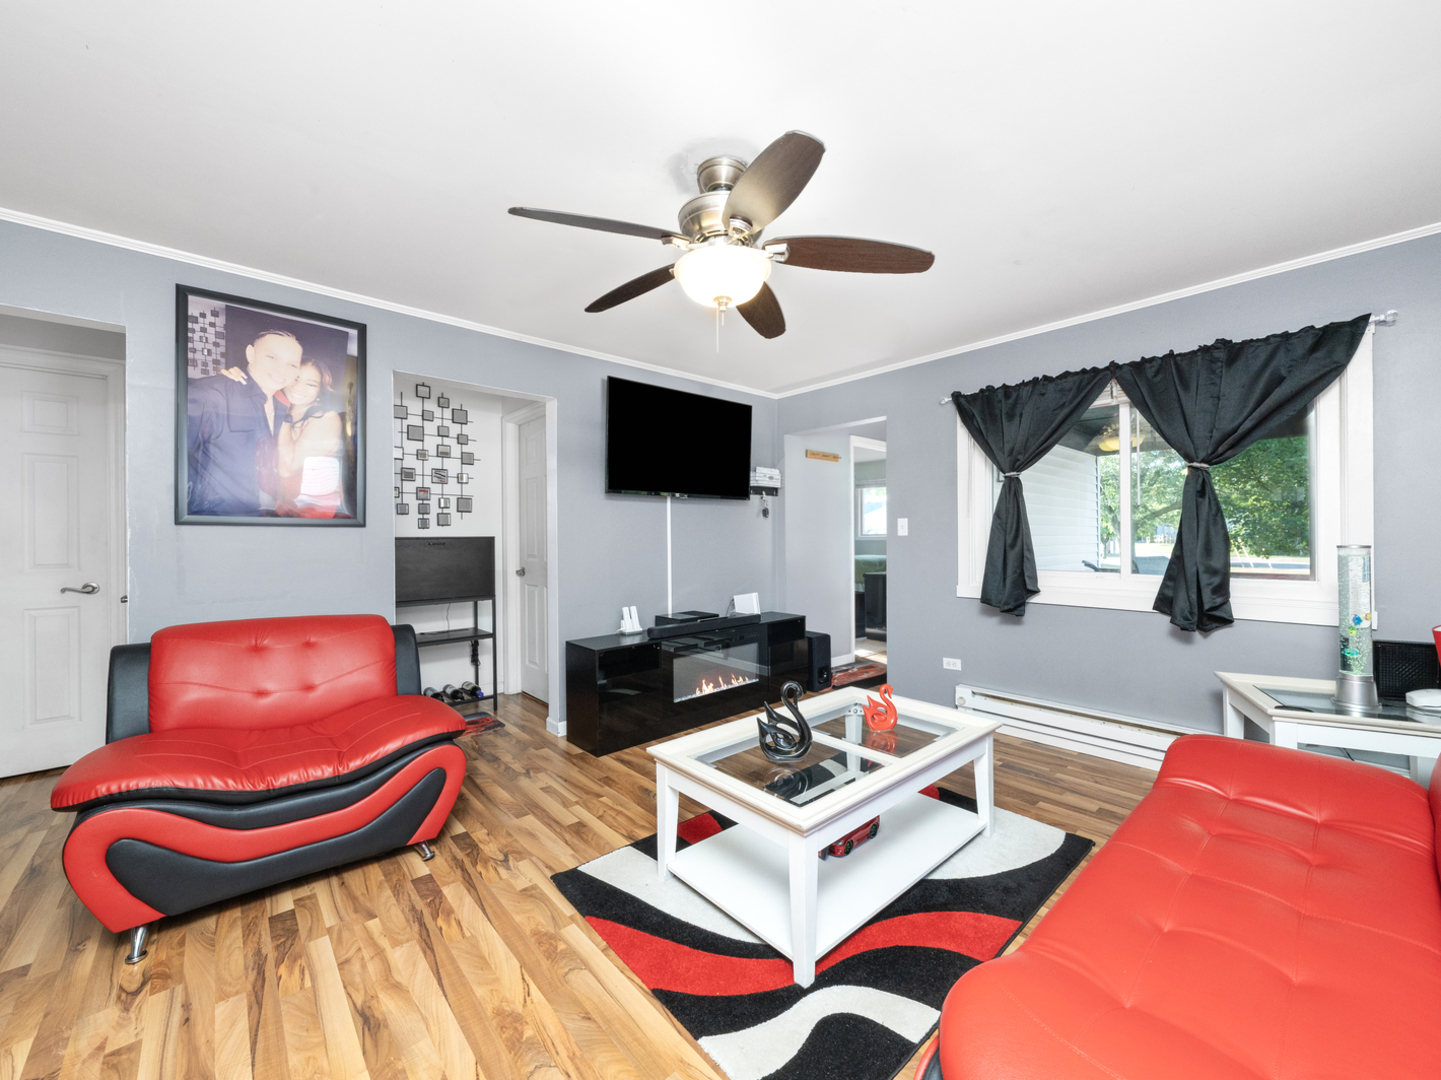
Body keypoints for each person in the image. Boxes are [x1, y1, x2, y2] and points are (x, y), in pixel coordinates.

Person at [186, 329, 302, 516]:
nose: (282, 370)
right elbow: (172, 464)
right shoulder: (212, 394)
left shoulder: (283, 408)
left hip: (266, 519)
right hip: (216, 522)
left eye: (292, 364)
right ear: (250, 353)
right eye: (272, 357)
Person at [219, 357, 345, 517]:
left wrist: (285, 418)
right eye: (295, 379)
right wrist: (228, 382)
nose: (299, 388)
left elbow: (288, 469)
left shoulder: (325, 418)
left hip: (309, 516)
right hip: (278, 508)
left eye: (311, 384)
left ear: (319, 390)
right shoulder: (278, 405)